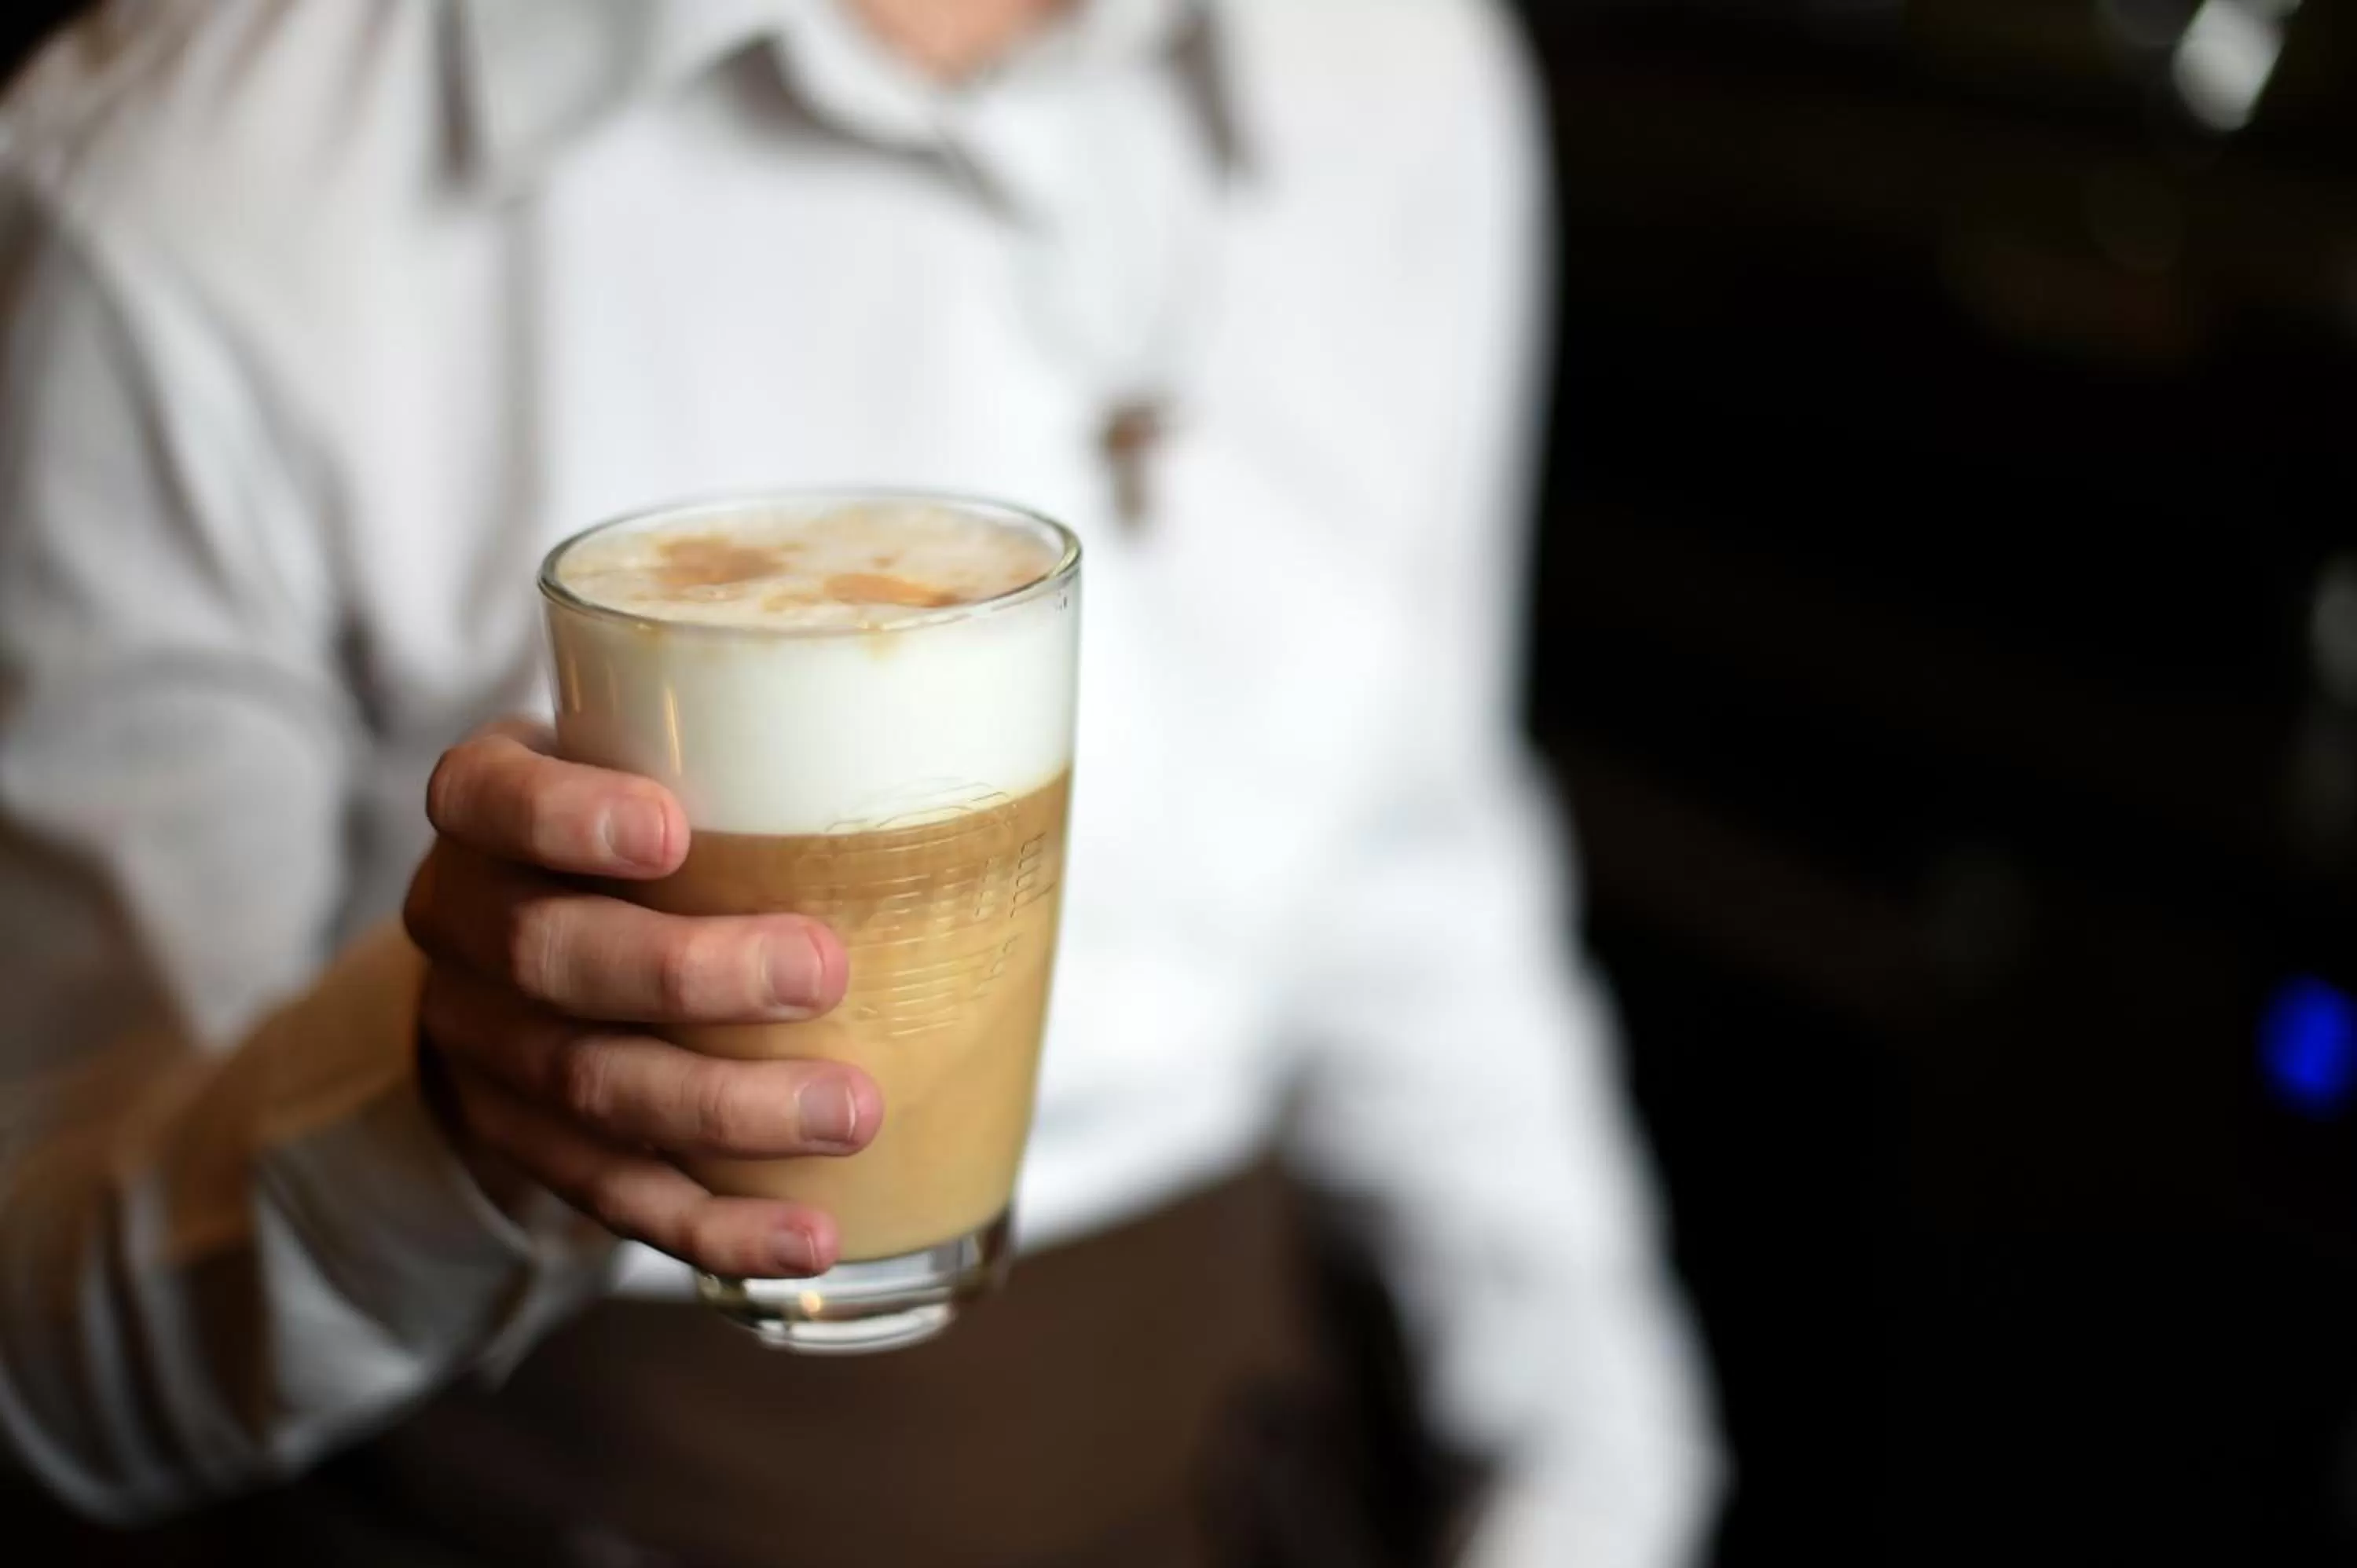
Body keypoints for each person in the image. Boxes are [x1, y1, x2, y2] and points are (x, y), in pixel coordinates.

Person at [0, 1, 1722, 1563]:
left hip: (1240, 1466)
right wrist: (435, 1118)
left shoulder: (1395, 63)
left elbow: (1407, 864)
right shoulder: (190, 173)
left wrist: (1598, 1475)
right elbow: (46, 1367)